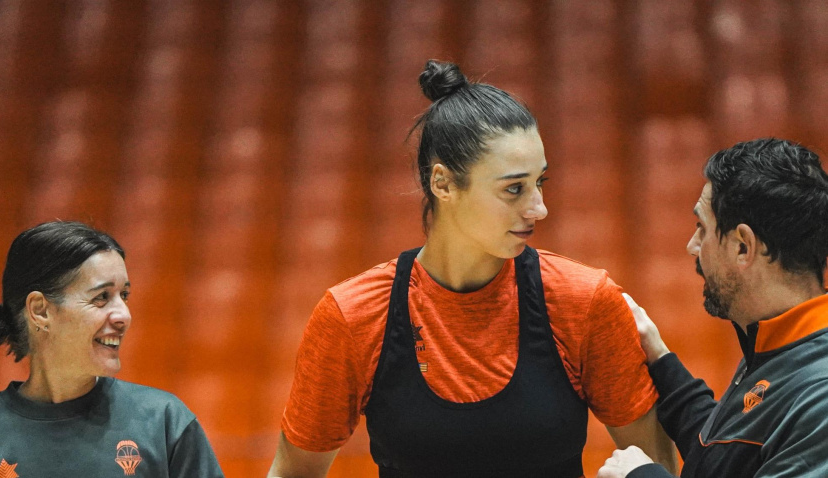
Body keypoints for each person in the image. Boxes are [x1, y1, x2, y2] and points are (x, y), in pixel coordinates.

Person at [268, 60, 676, 478]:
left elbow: (655, 465)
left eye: (541, 183)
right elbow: (291, 473)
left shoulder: (583, 301)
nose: (539, 208)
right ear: (442, 184)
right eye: (514, 188)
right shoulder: (351, 316)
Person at [598, 138, 828, 478]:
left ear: (742, 246)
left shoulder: (819, 395)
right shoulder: (778, 344)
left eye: (702, 228)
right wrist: (658, 357)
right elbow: (724, 460)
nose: (692, 247)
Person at [0, 221, 225, 477]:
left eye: (124, 295)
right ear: (40, 310)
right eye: (101, 297)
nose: (124, 315)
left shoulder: (164, 421)